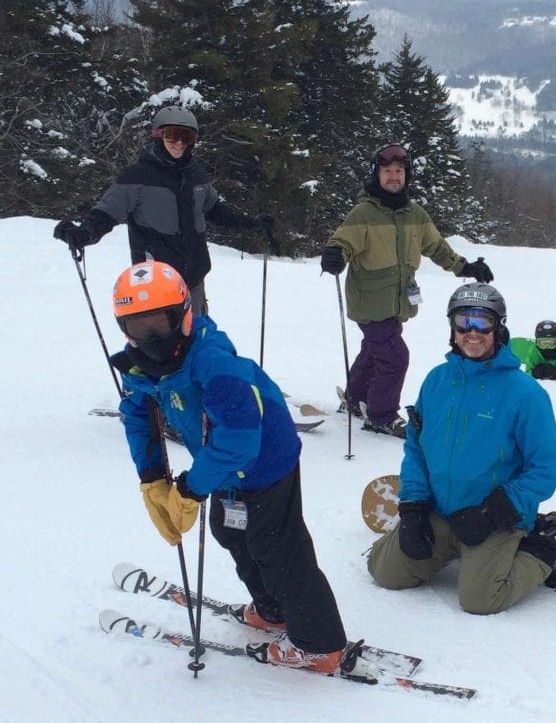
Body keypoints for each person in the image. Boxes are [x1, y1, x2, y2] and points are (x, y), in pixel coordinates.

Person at [110, 260, 348, 673]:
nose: (150, 338)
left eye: (160, 323)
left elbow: (240, 440)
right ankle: (273, 610)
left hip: (265, 460)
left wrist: (190, 489)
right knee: (229, 530)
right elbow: (137, 414)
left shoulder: (215, 365)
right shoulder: (142, 367)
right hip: (219, 464)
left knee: (277, 547)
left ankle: (319, 643)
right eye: (137, 326)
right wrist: (151, 479)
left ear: (182, 314)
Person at [366, 283, 556, 614]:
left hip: (496, 517)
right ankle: (450, 548)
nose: (472, 332)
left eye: (482, 322)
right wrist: (413, 510)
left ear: (499, 327)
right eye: (462, 321)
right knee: (384, 573)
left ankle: (549, 544)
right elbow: (416, 448)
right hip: (441, 511)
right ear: (452, 328)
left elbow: (544, 470)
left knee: (480, 601)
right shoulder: (436, 381)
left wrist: (493, 512)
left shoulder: (525, 394)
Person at [319, 143, 494, 439]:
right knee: (394, 357)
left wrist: (464, 267)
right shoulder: (363, 213)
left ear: (406, 176)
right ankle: (381, 416)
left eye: (399, 171)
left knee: (375, 351)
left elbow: (436, 246)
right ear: (377, 175)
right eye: (387, 171)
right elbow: (343, 241)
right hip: (370, 301)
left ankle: (355, 397)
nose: (393, 177)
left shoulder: (415, 214)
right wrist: (335, 254)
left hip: (398, 300)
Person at [53, 106, 272, 314]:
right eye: (172, 135)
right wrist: (84, 234)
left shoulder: (196, 175)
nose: (179, 143)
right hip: (154, 281)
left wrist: (251, 223)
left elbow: (214, 208)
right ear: (158, 135)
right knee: (160, 344)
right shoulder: (137, 176)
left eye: (186, 137)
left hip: (194, 278)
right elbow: (105, 213)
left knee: (195, 338)